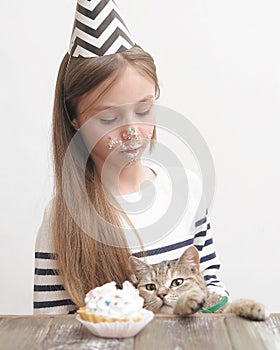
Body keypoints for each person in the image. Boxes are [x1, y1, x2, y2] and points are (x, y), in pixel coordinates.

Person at [33, 0, 229, 314]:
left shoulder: (187, 189)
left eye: (143, 109)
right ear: (75, 121)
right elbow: (50, 329)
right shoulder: (62, 218)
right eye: (109, 119)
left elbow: (211, 284)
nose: (133, 132)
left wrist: (213, 304)